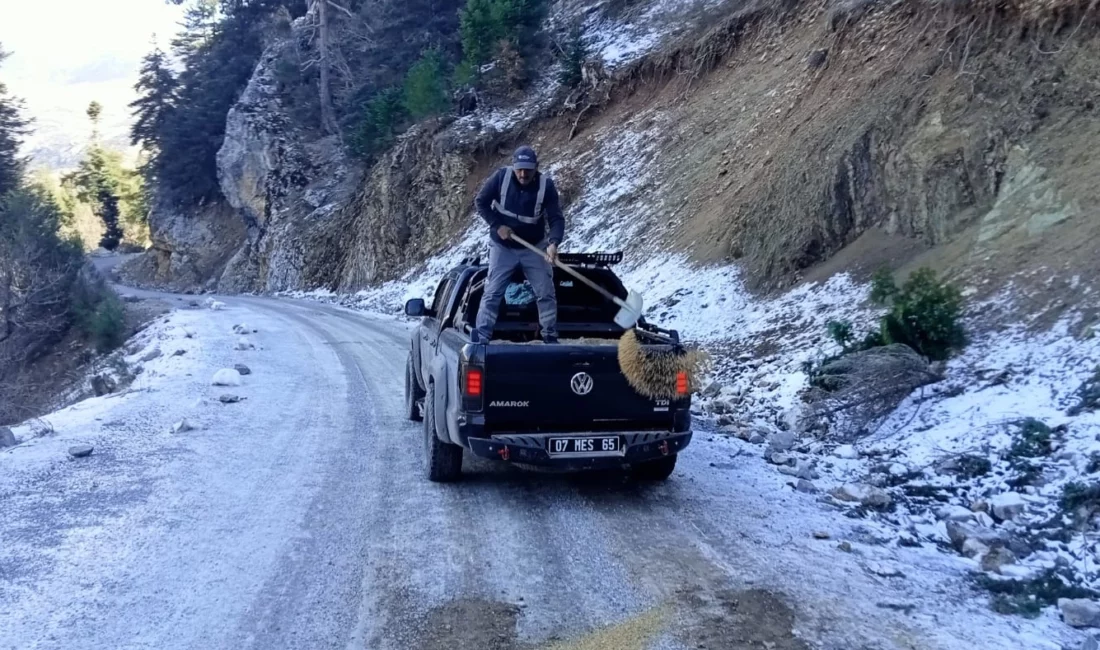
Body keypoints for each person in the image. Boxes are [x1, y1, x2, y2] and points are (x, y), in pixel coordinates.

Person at [473, 145, 565, 343]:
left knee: (545, 291)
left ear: (536, 167)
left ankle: (549, 335)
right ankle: (482, 335)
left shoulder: (545, 186)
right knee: (493, 291)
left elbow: (556, 218)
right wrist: (498, 226)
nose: (523, 174)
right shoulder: (500, 178)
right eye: (520, 169)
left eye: (528, 170)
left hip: (534, 246)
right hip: (503, 246)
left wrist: (553, 243)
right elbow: (480, 202)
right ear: (513, 166)